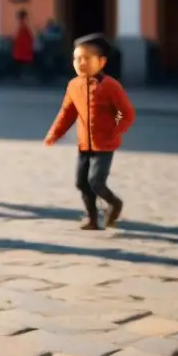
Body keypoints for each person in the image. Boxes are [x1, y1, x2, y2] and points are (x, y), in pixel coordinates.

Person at [44, 34, 135, 230]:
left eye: (87, 58)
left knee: (96, 181)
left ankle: (114, 203)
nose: (81, 63)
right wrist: (54, 133)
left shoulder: (110, 86)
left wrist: (116, 129)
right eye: (77, 58)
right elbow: (67, 113)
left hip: (105, 144)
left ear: (101, 62)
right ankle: (92, 218)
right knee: (81, 182)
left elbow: (125, 113)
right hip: (84, 143)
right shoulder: (74, 86)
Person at [11, 9, 34, 80]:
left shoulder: (23, 26)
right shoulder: (24, 26)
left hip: (22, 49)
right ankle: (20, 75)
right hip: (23, 49)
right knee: (20, 63)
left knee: (20, 63)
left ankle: (19, 75)